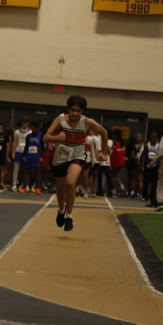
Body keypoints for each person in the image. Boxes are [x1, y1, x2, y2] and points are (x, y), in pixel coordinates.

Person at [43, 95, 109, 232]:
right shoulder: (60, 119)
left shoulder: (87, 122)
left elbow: (104, 132)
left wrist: (104, 152)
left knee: (70, 182)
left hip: (77, 156)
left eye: (78, 111)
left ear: (82, 111)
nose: (75, 113)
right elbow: (45, 137)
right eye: (72, 110)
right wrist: (58, 137)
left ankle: (69, 216)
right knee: (61, 188)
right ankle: (61, 210)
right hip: (61, 157)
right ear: (68, 109)